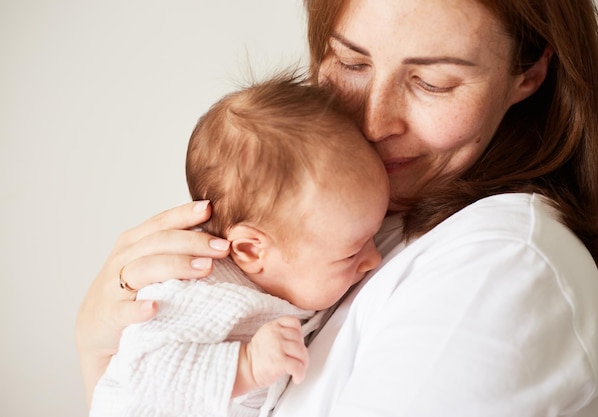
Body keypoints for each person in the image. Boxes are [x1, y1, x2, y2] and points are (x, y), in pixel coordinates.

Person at [76, 0, 598, 416]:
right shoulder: (363, 221)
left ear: (528, 74)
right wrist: (99, 341)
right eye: (350, 61)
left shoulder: (503, 266)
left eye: (432, 82)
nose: (371, 122)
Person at [88, 74, 389, 417]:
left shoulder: (293, 264)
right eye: (351, 252)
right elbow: (144, 371)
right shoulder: (199, 290)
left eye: (374, 237)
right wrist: (247, 366)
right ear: (250, 250)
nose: (374, 259)